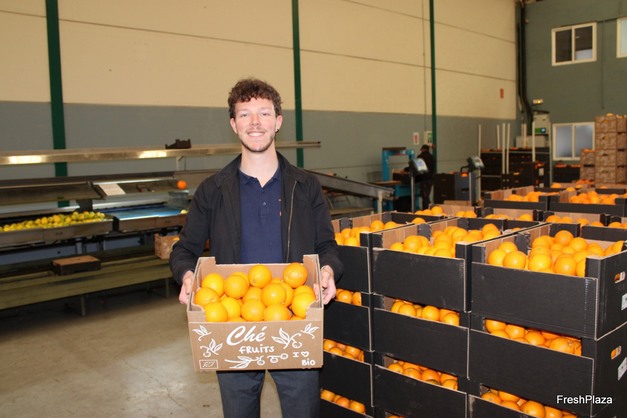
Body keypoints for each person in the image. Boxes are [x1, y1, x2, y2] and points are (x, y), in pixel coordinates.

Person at [169, 78, 343, 418]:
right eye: (245, 114)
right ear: (233, 124)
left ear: (278, 121)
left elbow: (327, 245)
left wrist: (328, 271)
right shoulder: (213, 190)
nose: (255, 122)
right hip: (232, 323)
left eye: (264, 113)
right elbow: (184, 250)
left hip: (293, 321)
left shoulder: (305, 186)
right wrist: (188, 276)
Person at [416, 144, 436, 210]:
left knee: (425, 197)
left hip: (423, 179)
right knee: (426, 195)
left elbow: (416, 167)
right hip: (431, 179)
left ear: (422, 149)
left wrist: (405, 170)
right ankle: (429, 209)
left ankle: (426, 210)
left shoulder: (420, 157)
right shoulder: (432, 157)